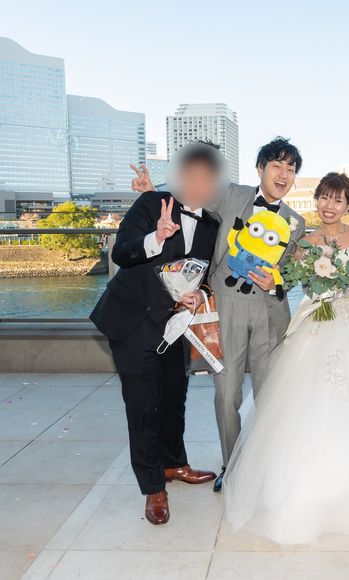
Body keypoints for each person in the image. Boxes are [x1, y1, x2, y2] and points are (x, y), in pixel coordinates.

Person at [223, 173, 349, 544]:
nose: (329, 206)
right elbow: (290, 279)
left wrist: (345, 288)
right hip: (317, 322)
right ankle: (300, 489)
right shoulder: (303, 241)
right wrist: (284, 283)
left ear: (348, 206)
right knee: (307, 401)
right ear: (316, 201)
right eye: (324, 198)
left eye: (338, 200)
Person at [130, 136, 306, 493]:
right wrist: (152, 193)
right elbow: (189, 198)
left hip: (270, 314)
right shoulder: (231, 194)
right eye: (277, 166)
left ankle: (266, 466)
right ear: (261, 168)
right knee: (227, 396)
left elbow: (291, 272)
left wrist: (276, 281)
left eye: (290, 169)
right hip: (226, 308)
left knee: (269, 396)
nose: (283, 175)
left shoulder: (296, 222)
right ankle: (232, 464)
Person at [91, 142, 223, 525]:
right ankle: (153, 487)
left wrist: (199, 293)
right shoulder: (152, 204)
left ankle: (173, 464)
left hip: (175, 326)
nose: (198, 184)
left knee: (173, 399)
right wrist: (157, 238)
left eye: (207, 177)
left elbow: (207, 274)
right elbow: (121, 253)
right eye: (191, 174)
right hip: (133, 322)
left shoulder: (213, 225)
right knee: (143, 407)